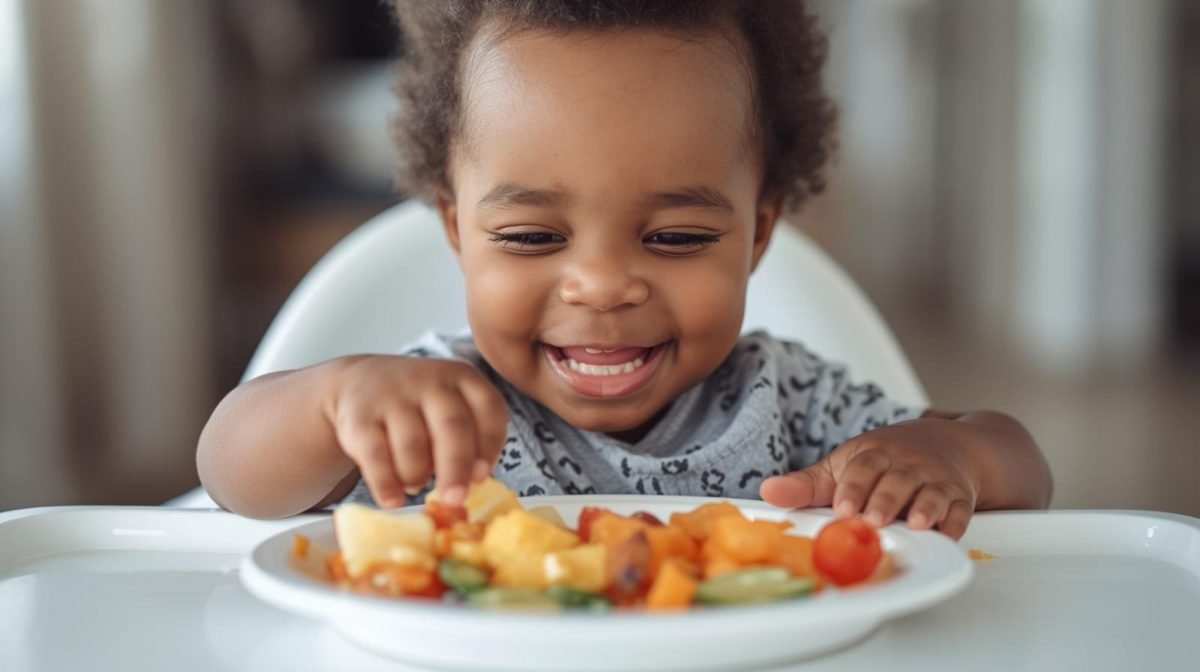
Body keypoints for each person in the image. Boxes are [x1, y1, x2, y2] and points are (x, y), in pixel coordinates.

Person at [197, 0, 1052, 539]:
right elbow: (229, 476)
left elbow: (1019, 463)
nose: (602, 285)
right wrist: (330, 401)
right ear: (458, 231)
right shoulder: (431, 413)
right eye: (533, 237)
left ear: (757, 235)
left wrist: (945, 455)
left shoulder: (784, 400)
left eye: (676, 238)